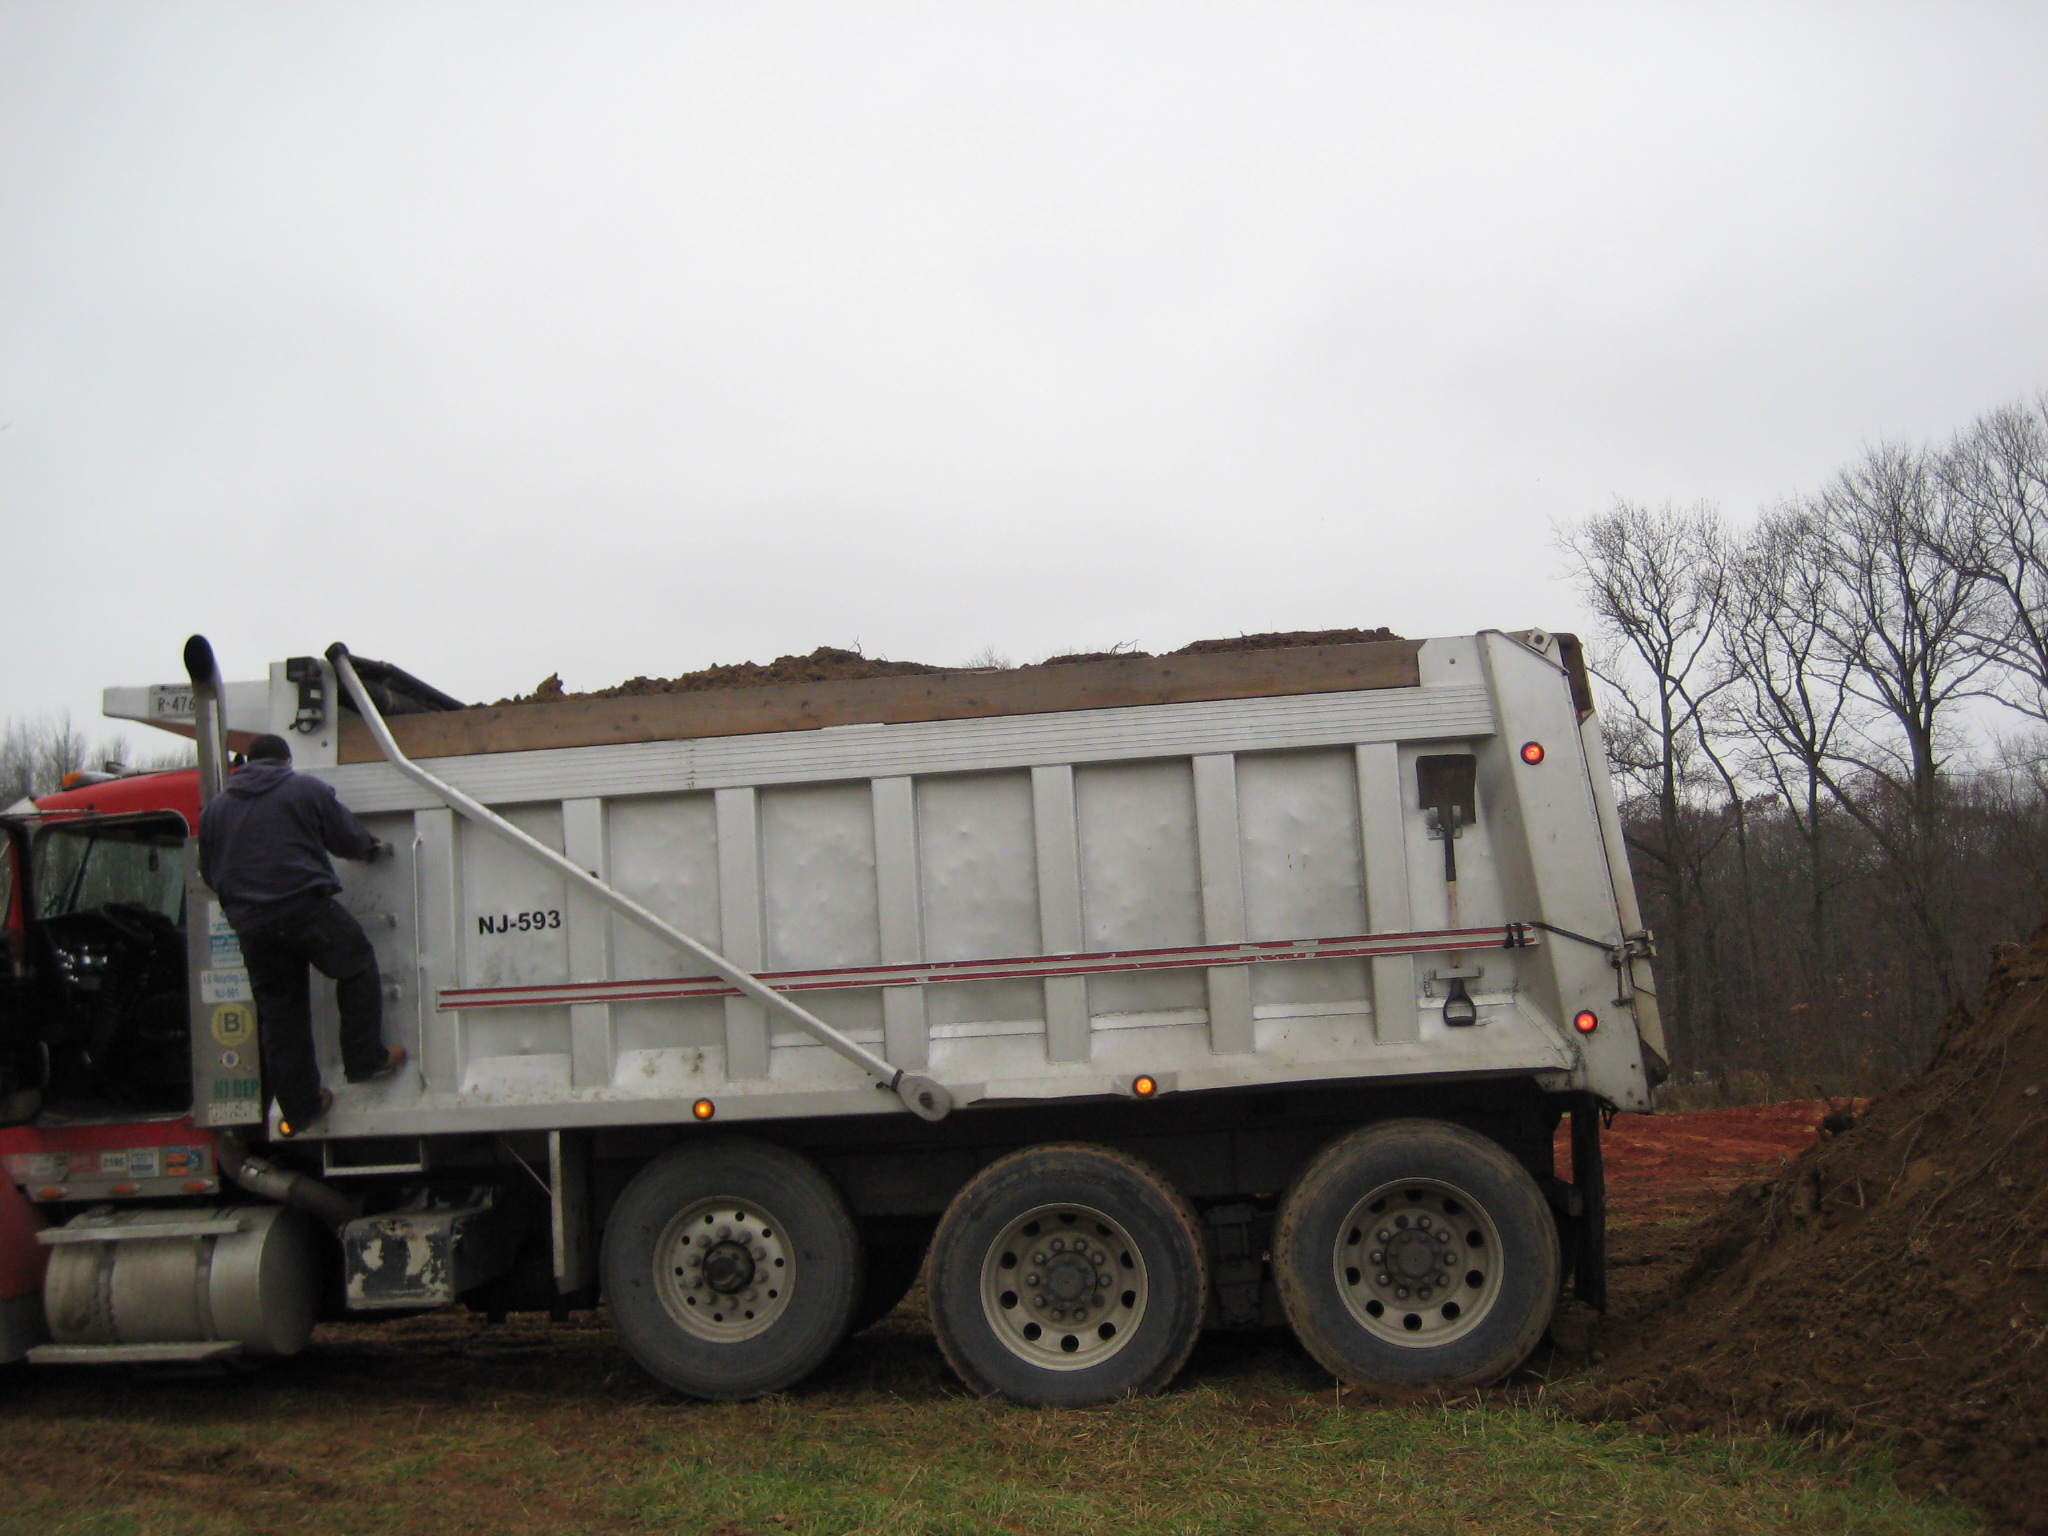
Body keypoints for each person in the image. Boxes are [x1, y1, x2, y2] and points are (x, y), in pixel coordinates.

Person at [198, 733, 405, 1134]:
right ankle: (364, 1059)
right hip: (303, 907)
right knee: (356, 964)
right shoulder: (302, 788)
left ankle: (301, 1107)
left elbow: (210, 873)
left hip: (252, 925)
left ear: (244, 765)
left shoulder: (215, 811)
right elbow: (345, 838)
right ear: (286, 761)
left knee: (281, 1015)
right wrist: (369, 848)